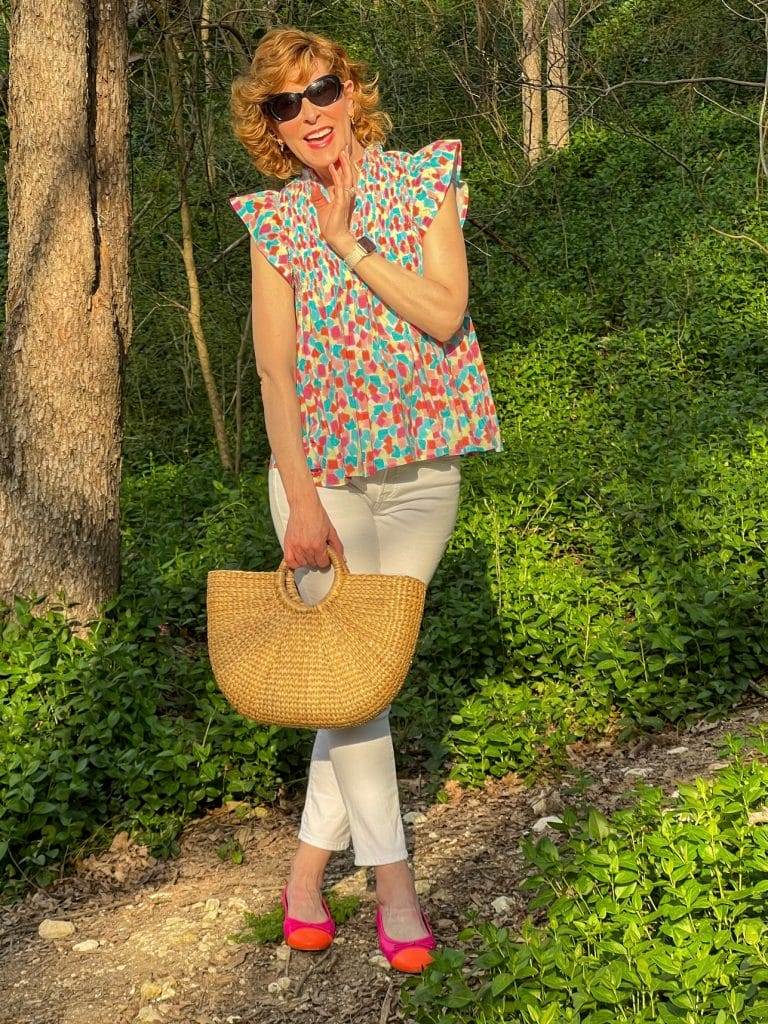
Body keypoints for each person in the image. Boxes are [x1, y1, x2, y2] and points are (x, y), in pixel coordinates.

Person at [229, 26, 503, 973]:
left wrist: (346, 244)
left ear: (351, 92)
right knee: (357, 689)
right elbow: (274, 371)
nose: (309, 113)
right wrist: (300, 503)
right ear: (269, 123)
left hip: (425, 477)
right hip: (325, 486)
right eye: (285, 103)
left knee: (363, 686)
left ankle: (306, 875)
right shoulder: (272, 221)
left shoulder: (425, 180)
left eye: (321, 91)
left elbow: (444, 311)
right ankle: (395, 888)